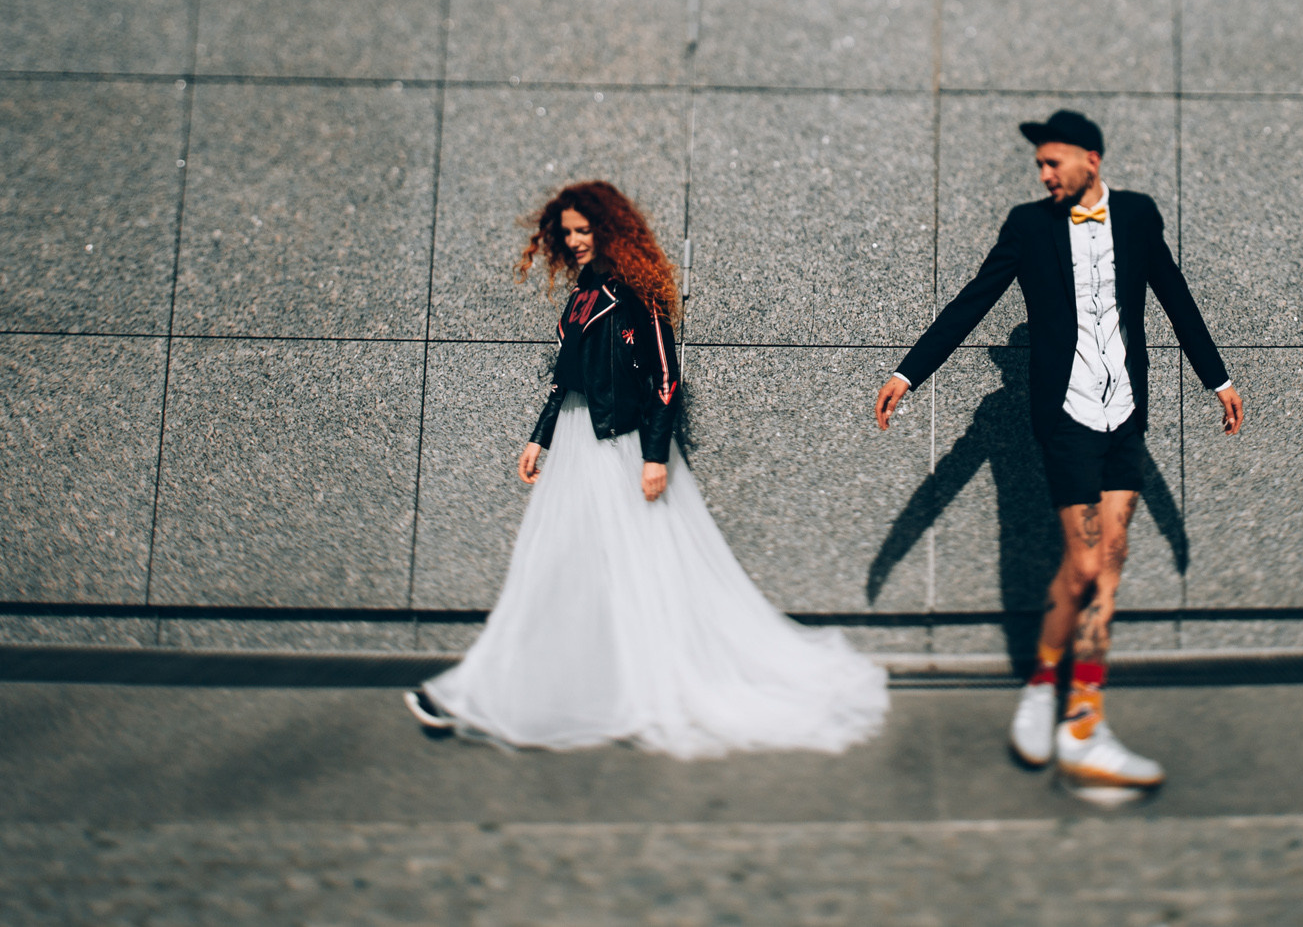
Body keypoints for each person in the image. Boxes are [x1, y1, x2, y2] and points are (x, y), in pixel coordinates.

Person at [405, 180, 888, 757]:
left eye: (585, 230)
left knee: (641, 571)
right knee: (560, 567)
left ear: (609, 228)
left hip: (623, 446)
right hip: (582, 445)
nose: (576, 241)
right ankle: (531, 690)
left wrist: (655, 456)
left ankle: (575, 692)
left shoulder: (637, 293)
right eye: (568, 234)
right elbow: (568, 376)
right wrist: (541, 437)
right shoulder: (584, 292)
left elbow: (665, 379)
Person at [874, 111, 1244, 790]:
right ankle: (1064, 701)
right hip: (1067, 416)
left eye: (1053, 163)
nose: (1043, 175)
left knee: (1110, 560)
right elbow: (973, 300)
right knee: (1084, 560)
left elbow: (1174, 294)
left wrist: (1216, 376)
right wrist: (908, 372)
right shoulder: (1028, 226)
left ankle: (1065, 700)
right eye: (1039, 166)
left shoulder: (1136, 216)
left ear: (1091, 159)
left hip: (1126, 413)